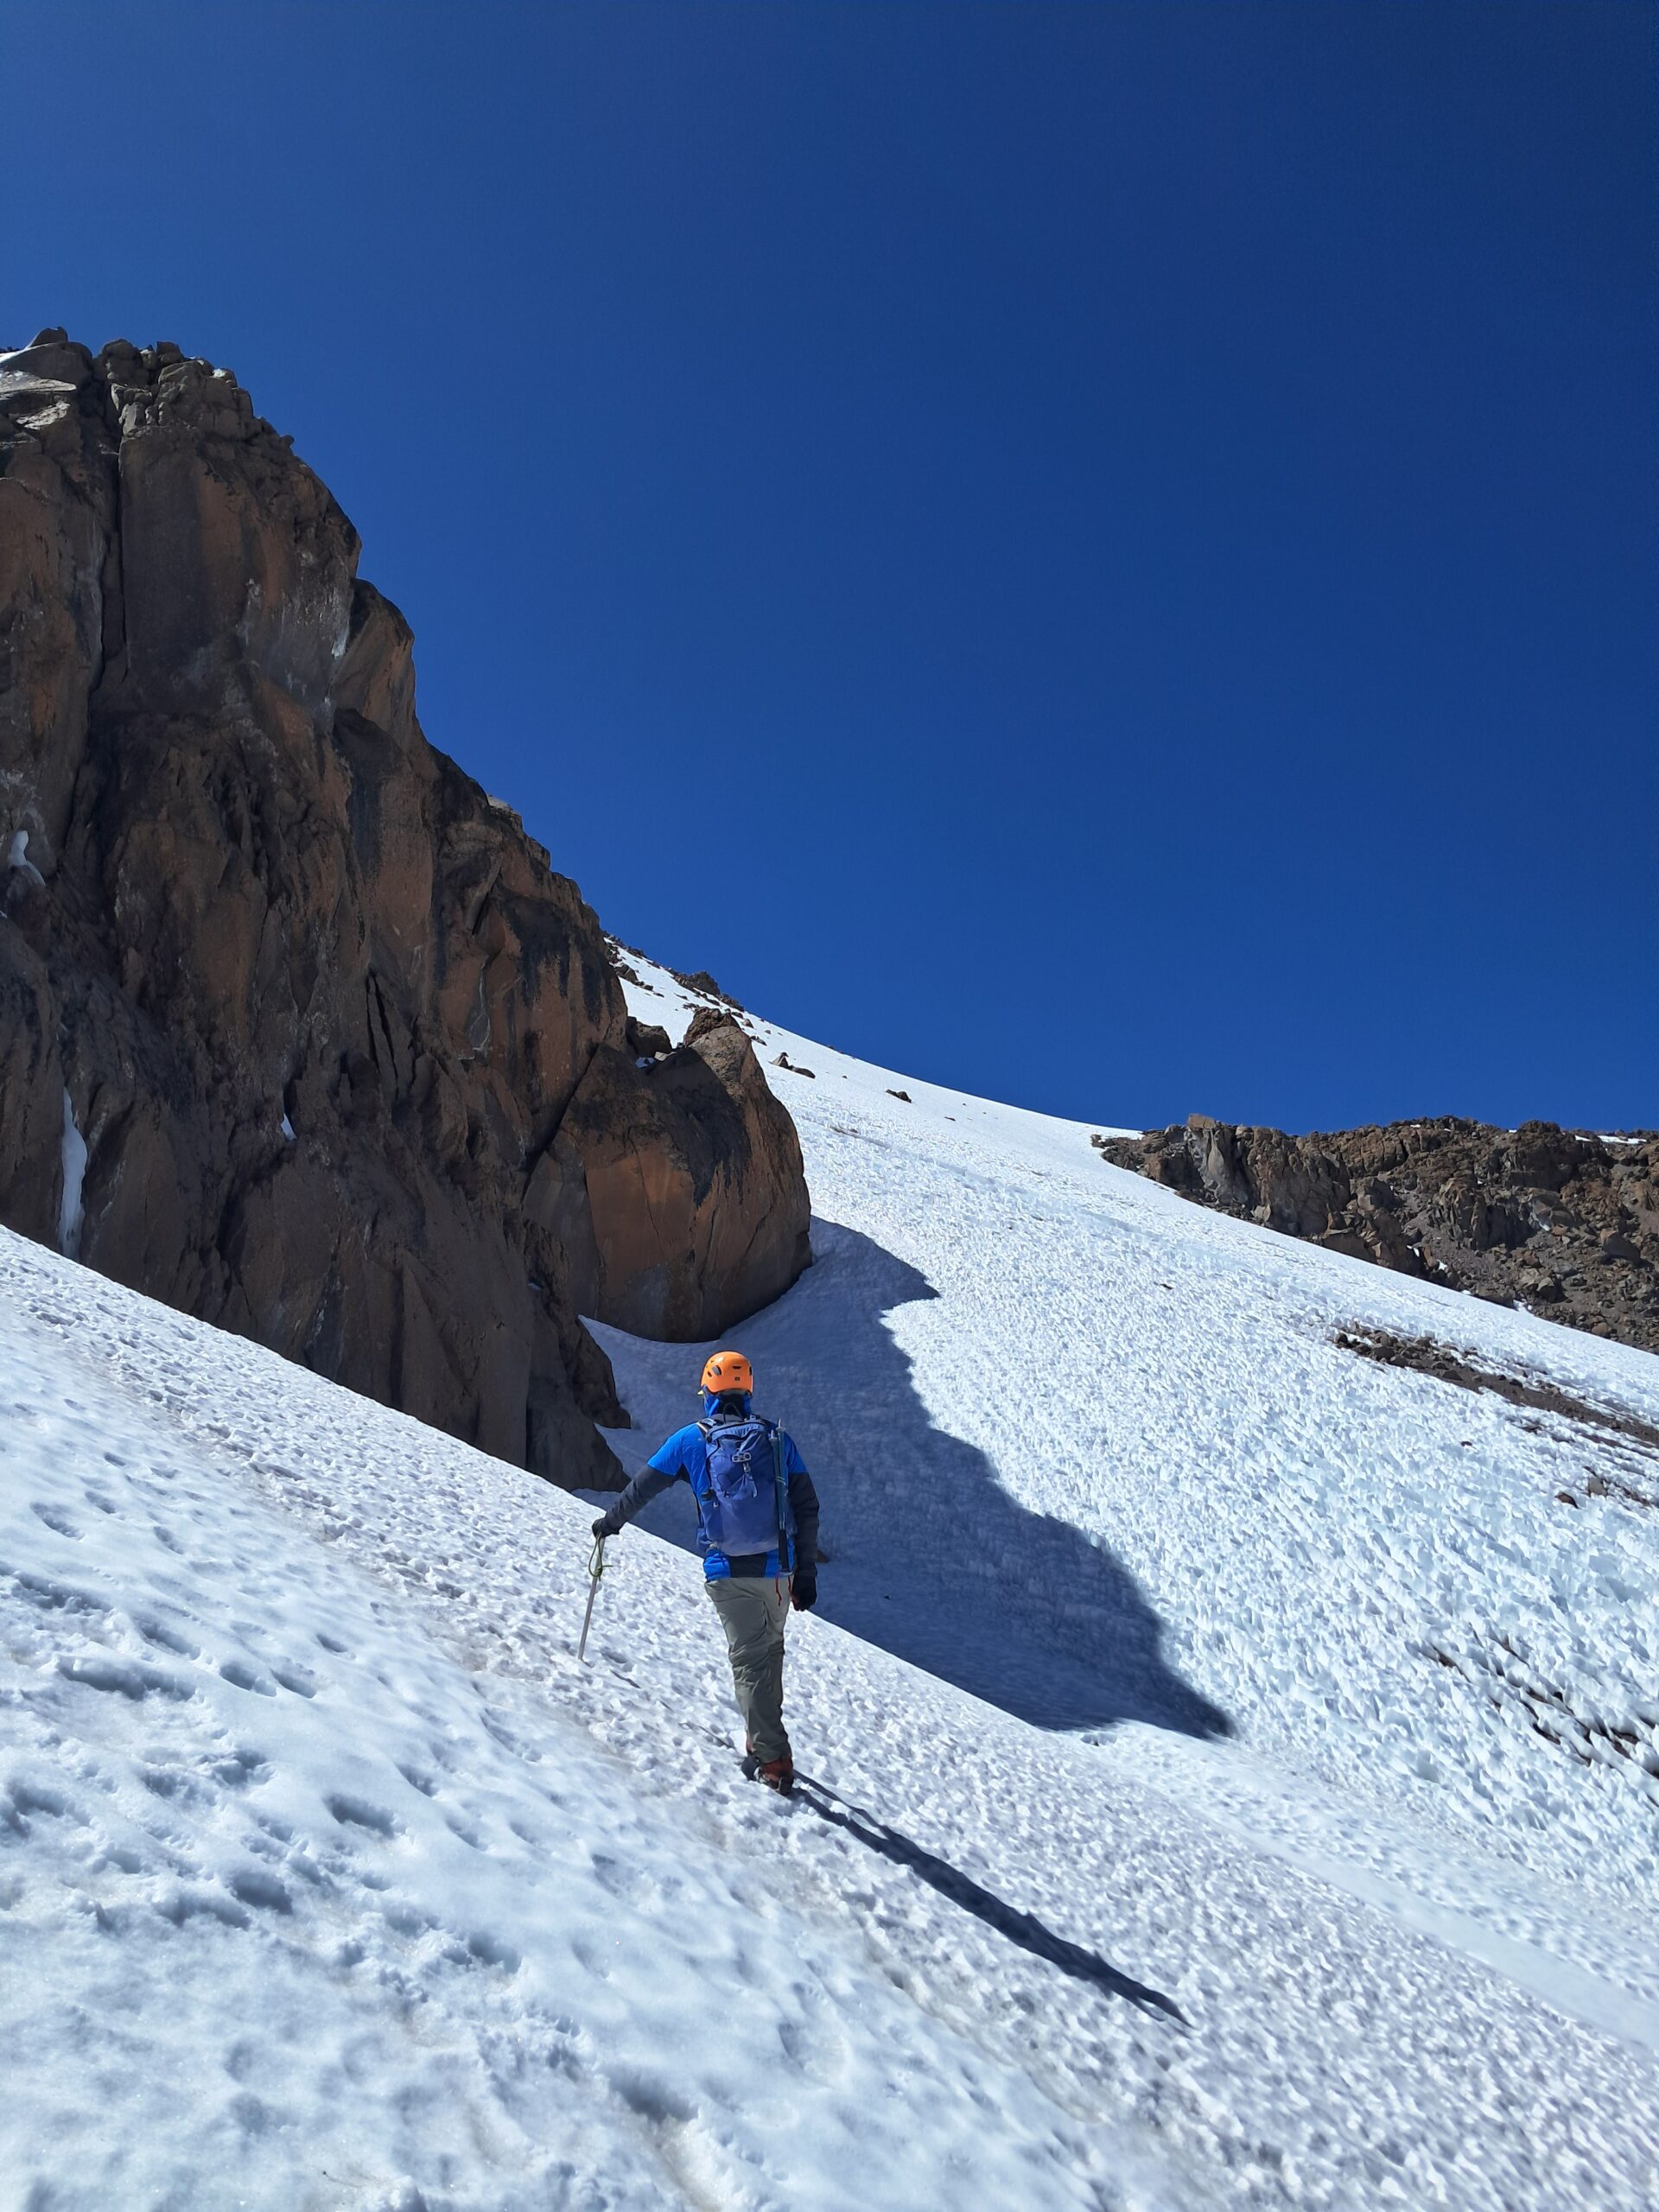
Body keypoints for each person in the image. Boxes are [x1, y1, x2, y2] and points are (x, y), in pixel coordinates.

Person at [592, 1350, 819, 1793]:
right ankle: (762, 1740)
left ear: (708, 1392)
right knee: (769, 1653)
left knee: (751, 1660)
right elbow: (807, 1507)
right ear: (747, 1390)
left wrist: (610, 1523)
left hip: (728, 1572)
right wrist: (804, 1573)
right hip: (780, 1572)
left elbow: (642, 1488)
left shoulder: (690, 1440)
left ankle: (773, 1762)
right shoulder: (776, 1440)